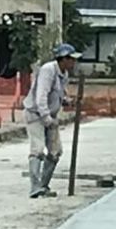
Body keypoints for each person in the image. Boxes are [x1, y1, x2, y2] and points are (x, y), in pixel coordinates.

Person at [23, 43, 80, 198]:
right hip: (36, 114)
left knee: (55, 151)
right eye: (71, 59)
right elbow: (41, 96)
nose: (74, 63)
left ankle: (43, 185)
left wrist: (66, 101)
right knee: (37, 150)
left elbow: (58, 94)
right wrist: (46, 117)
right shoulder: (48, 70)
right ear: (64, 59)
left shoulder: (64, 74)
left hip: (50, 115)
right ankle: (35, 187)